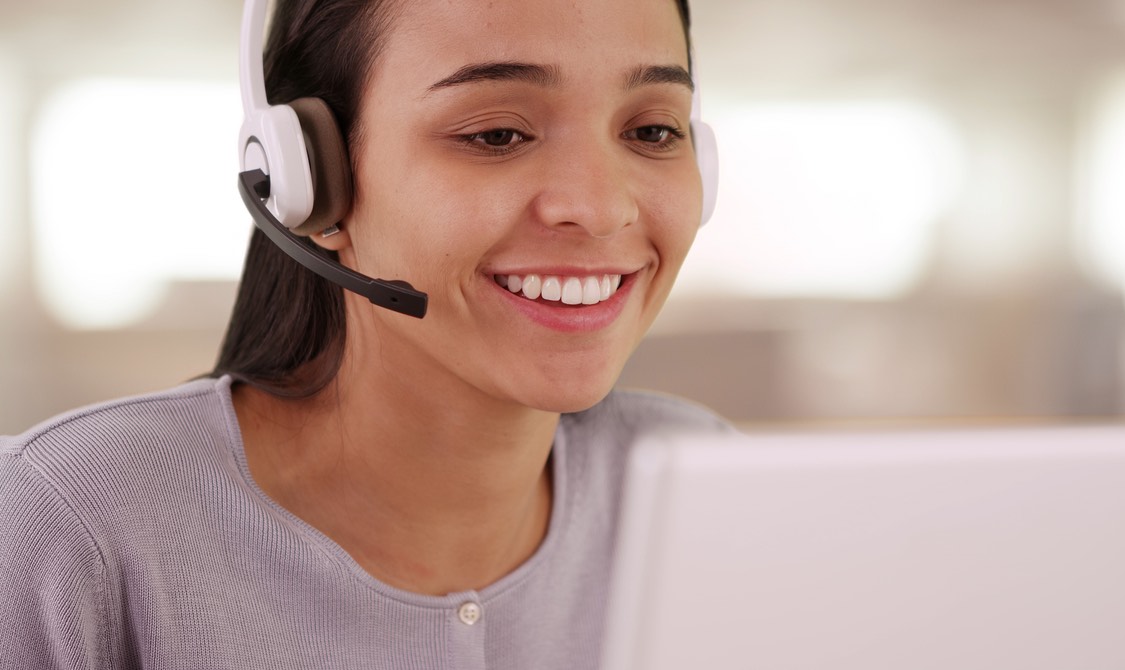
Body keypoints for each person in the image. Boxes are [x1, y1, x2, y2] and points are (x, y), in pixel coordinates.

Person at [0, 0, 729, 667]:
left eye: (653, 130)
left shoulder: (707, 489)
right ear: (309, 180)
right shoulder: (74, 523)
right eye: (497, 134)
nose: (600, 209)